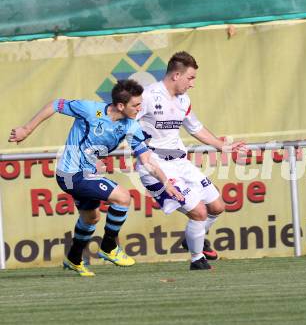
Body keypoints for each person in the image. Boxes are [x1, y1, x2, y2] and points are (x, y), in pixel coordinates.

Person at [8, 79, 183, 276]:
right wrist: (26, 129)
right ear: (120, 105)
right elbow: (56, 104)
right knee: (123, 197)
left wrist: (165, 182)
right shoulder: (93, 111)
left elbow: (146, 158)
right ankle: (109, 247)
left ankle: (73, 259)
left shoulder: (130, 127)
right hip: (71, 173)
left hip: (86, 174)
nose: (139, 108)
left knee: (91, 218)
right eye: (135, 105)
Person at [135, 51, 246, 270]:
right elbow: (126, 125)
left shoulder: (184, 99)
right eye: (190, 78)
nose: (192, 84)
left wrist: (223, 146)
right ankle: (197, 260)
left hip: (181, 162)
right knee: (199, 212)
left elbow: (195, 127)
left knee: (217, 206)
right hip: (156, 166)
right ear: (176, 75)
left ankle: (194, 237)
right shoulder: (147, 96)